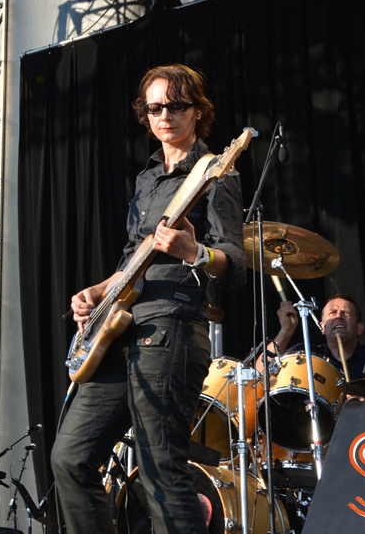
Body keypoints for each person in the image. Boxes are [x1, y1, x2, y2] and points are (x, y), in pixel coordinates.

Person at [51, 64, 246, 534]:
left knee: (160, 468)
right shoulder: (146, 180)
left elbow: (235, 262)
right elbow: (132, 259)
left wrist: (195, 252)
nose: (165, 115)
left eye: (176, 106)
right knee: (70, 459)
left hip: (172, 326)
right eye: (155, 107)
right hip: (119, 326)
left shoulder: (216, 172)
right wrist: (95, 294)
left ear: (197, 112)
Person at [266, 294, 365, 380]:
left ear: (359, 328)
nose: (339, 316)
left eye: (346, 313)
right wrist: (286, 331)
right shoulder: (305, 355)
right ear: (322, 327)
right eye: (332, 313)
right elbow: (261, 374)